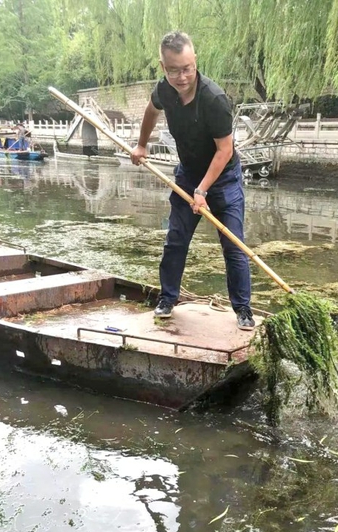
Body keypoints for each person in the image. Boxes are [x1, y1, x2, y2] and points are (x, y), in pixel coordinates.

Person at [131, 31, 255, 331]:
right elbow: (151, 110)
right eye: (174, 70)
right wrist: (142, 144)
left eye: (187, 68)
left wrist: (203, 190)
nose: (182, 76)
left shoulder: (214, 99)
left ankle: (243, 309)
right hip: (188, 174)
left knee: (233, 245)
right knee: (176, 240)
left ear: (195, 61)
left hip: (223, 178)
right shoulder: (165, 89)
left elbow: (225, 150)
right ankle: (167, 299)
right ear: (164, 67)